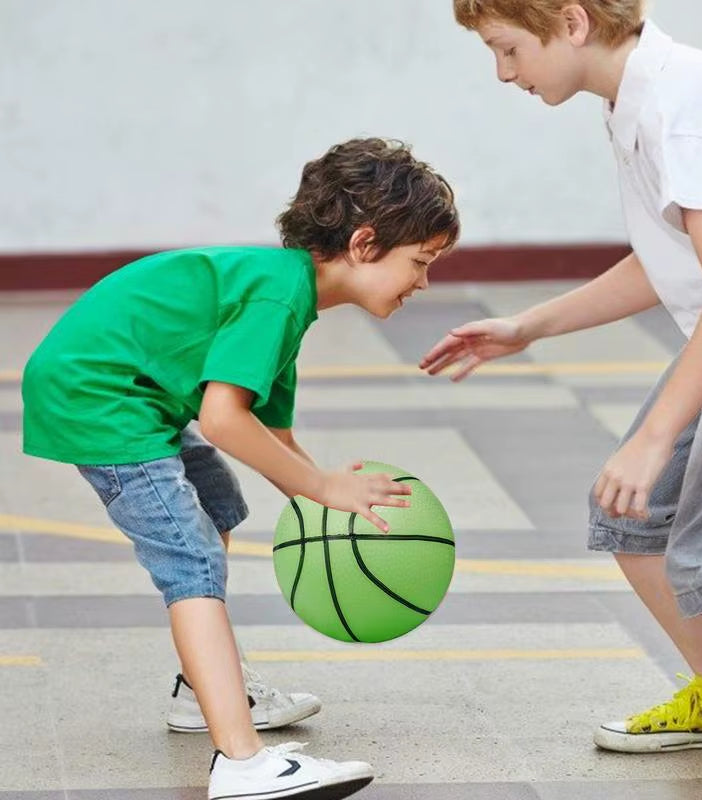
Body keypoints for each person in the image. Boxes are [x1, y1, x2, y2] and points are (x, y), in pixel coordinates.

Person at [421, 2, 702, 796]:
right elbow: (669, 261)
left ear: (571, 22)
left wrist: (654, 437)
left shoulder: (682, 109)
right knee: (634, 519)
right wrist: (529, 326)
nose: (503, 73)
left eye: (507, 49)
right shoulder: (639, 99)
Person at [22, 137, 459, 800]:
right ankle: (241, 761)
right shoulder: (277, 298)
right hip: (100, 396)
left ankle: (199, 694)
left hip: (129, 390)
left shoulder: (287, 294)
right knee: (191, 561)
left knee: (218, 505)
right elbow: (224, 421)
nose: (423, 283)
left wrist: (328, 498)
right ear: (365, 244)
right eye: (420, 262)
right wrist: (322, 485)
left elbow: (272, 434)